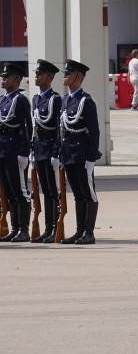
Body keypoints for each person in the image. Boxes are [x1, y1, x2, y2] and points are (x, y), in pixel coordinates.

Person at [57, 60, 103, 245]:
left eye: (68, 73)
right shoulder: (65, 100)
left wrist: (92, 156)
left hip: (83, 154)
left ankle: (89, 232)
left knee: (88, 192)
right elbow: (62, 129)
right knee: (77, 194)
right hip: (69, 153)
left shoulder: (86, 101)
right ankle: (79, 231)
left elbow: (94, 130)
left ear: (78, 76)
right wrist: (60, 153)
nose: (65, 76)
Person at [29, 60, 62, 243]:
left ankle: (54, 228)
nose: (37, 77)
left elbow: (58, 127)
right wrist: (33, 148)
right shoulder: (36, 99)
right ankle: (47, 228)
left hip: (50, 148)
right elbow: (35, 127)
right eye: (36, 73)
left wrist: (56, 152)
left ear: (49, 77)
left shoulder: (55, 99)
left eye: (40, 74)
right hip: (40, 147)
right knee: (43, 190)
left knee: (52, 191)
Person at [0, 63, 32, 242]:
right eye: (2, 76)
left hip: (14, 150)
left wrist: (24, 152)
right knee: (8, 191)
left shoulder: (20, 100)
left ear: (17, 79)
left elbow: (27, 127)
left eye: (7, 76)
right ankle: (14, 228)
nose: (3, 79)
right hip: (2, 150)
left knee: (20, 191)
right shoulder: (2, 99)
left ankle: (24, 229)